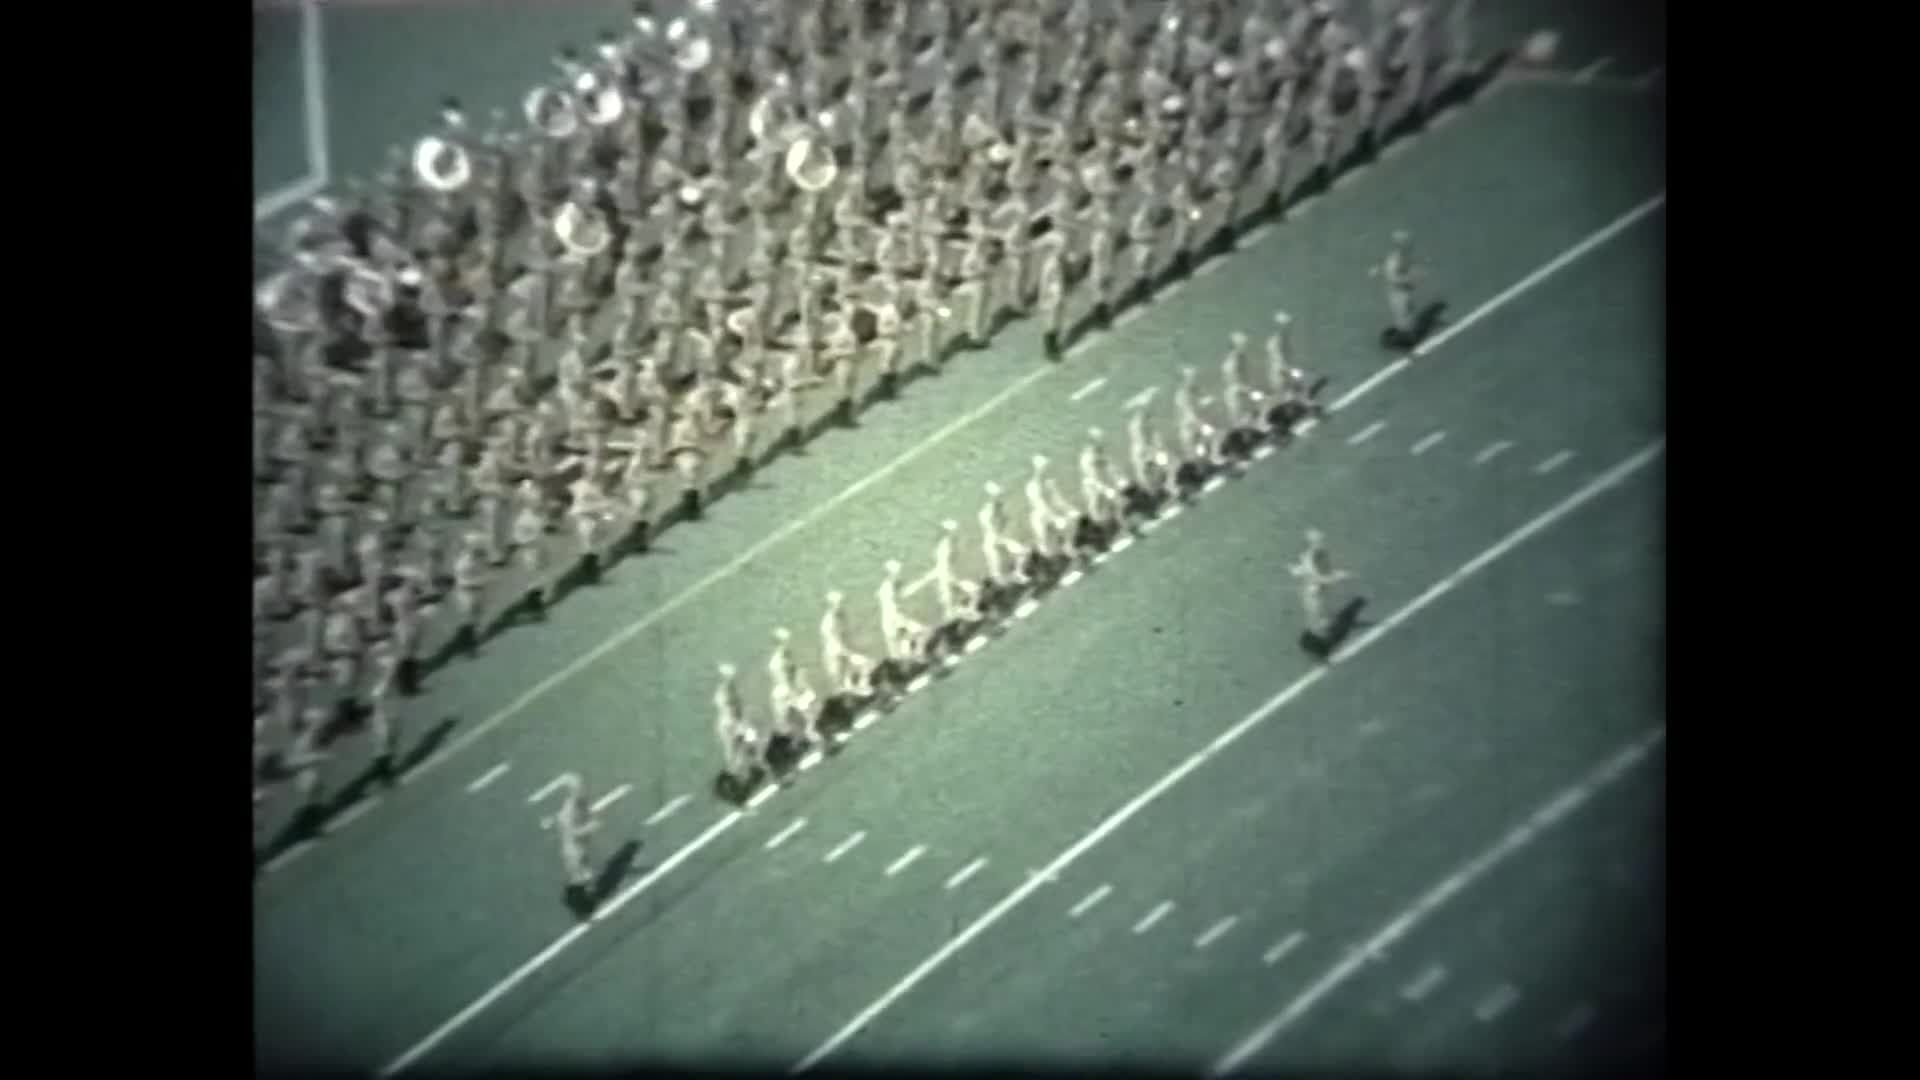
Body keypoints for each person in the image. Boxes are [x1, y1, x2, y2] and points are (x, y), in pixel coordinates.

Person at [539, 773, 602, 894]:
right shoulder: (569, 810)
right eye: (579, 788)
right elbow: (573, 832)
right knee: (580, 872)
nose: (583, 790)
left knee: (584, 869)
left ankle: (585, 887)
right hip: (574, 848)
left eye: (582, 787)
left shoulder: (579, 802)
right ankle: (582, 893)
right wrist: (589, 827)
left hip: (579, 844)